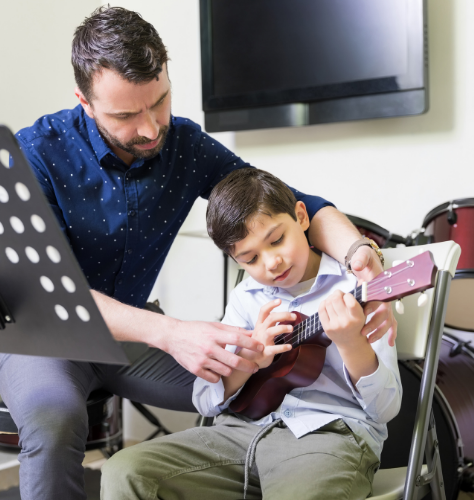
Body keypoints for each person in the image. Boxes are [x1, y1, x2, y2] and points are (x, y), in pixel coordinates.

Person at [0, 6, 396, 500]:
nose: (149, 128)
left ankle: (287, 463)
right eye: (125, 115)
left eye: (159, 102)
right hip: (46, 335)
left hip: (132, 340)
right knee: (54, 419)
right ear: (84, 101)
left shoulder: (183, 143)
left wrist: (357, 251)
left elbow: (290, 204)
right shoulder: (35, 152)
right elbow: (49, 293)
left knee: (238, 385)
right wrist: (172, 332)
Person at [101, 168, 402, 500]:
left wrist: (351, 343)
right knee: (125, 471)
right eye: (251, 258)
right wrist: (248, 362)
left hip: (330, 436)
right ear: (236, 260)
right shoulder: (246, 297)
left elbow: (385, 409)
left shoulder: (357, 288)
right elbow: (204, 398)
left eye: (277, 240)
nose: (271, 263)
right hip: (240, 434)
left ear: (301, 217)